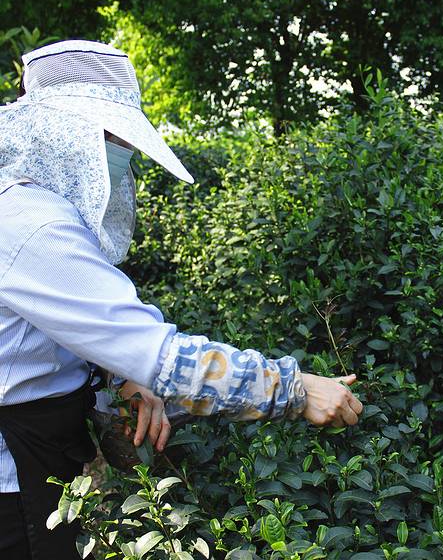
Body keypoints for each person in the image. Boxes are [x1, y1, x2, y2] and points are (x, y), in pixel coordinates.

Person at [0, 40, 363, 560]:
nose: (119, 152)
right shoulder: (31, 225)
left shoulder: (23, 203)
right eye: (109, 137)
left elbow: (48, 327)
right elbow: (166, 358)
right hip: (13, 483)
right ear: (61, 134)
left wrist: (121, 373)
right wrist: (294, 388)